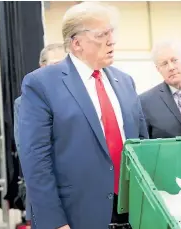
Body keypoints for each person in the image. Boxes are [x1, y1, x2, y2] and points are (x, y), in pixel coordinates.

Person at [17, 2, 148, 229]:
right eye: (102, 34)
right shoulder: (42, 84)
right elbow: (36, 161)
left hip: (132, 213)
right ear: (76, 43)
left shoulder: (125, 82)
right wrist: (54, 222)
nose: (111, 40)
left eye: (111, 32)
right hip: (76, 215)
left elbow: (142, 144)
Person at [14, 43, 67, 229]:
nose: (60, 70)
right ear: (42, 67)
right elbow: (28, 152)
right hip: (48, 195)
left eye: (65, 64)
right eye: (55, 64)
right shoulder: (25, 103)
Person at [140, 40, 181, 138]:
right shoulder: (145, 102)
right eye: (164, 64)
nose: (171, 67)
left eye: (174, 60)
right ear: (158, 69)